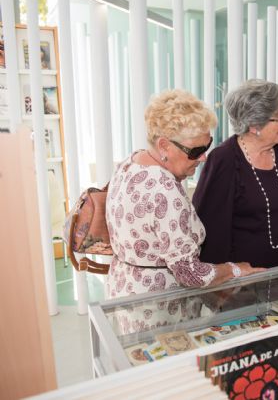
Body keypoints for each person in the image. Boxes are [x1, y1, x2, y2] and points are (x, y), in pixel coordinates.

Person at [104, 90, 265, 330]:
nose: (203, 158)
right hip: (159, 309)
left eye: (207, 146)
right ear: (164, 145)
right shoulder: (165, 190)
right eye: (195, 151)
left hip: (125, 292)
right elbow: (190, 274)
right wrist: (235, 269)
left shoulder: (132, 162)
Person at [193, 80, 278, 268]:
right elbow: (210, 228)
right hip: (239, 282)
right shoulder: (224, 160)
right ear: (255, 125)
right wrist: (227, 280)